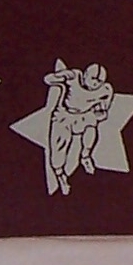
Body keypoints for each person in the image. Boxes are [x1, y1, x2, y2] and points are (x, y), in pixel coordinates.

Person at [43, 61, 114, 194]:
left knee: (91, 128)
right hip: (64, 116)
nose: (95, 83)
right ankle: (60, 175)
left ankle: (85, 156)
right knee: (58, 149)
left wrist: (99, 113)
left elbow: (103, 112)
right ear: (85, 75)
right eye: (93, 78)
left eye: (99, 81)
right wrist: (61, 77)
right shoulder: (74, 76)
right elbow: (48, 79)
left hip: (84, 115)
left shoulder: (106, 90)